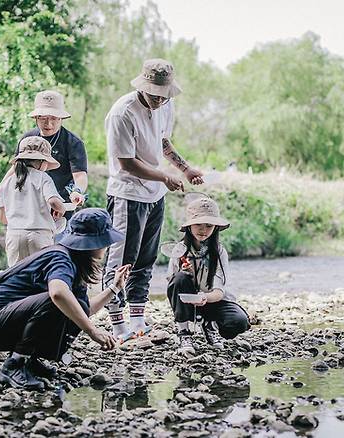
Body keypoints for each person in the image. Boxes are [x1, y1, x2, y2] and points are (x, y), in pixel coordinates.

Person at [0, 208, 131, 390]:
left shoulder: (74, 263)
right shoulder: (60, 258)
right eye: (105, 241)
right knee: (57, 301)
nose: (107, 246)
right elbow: (57, 294)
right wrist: (93, 331)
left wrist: (114, 288)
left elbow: (82, 310)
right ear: (92, 242)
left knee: (72, 305)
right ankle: (14, 365)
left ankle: (30, 361)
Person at [103, 58, 204, 340]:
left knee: (146, 258)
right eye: (155, 95)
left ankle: (137, 320)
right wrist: (163, 176)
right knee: (121, 259)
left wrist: (185, 169)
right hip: (127, 194)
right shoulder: (122, 113)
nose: (160, 100)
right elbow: (126, 163)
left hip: (154, 195)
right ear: (142, 86)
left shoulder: (166, 104)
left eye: (164, 95)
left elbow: (162, 141)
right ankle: (116, 324)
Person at [0, 90, 88, 220]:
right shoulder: (28, 139)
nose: (48, 124)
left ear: (61, 118)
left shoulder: (73, 142)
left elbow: (80, 175)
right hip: (30, 203)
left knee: (58, 239)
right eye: (43, 118)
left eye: (54, 118)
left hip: (60, 205)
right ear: (35, 118)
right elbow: (15, 169)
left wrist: (77, 191)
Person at [166, 197, 250, 355]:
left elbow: (219, 291)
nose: (203, 230)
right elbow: (173, 285)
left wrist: (204, 297)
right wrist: (187, 274)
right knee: (180, 278)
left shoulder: (219, 252)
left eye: (209, 225)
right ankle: (185, 333)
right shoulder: (179, 250)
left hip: (212, 300)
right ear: (189, 226)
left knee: (239, 322)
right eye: (198, 224)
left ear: (215, 228)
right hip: (186, 303)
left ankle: (209, 325)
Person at [0, 136, 66, 266]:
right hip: (39, 236)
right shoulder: (42, 177)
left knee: (17, 279)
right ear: (41, 162)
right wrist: (61, 209)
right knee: (40, 279)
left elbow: (2, 219)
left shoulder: (6, 183)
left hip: (14, 237)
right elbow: (53, 202)